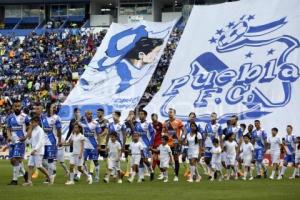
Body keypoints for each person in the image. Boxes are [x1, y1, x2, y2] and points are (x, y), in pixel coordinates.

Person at [23, 116, 51, 186]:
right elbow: (31, 140)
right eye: (31, 122)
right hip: (33, 150)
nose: (31, 124)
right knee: (30, 166)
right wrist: (26, 140)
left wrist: (35, 150)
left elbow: (40, 142)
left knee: (39, 166)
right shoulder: (33, 130)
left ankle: (49, 177)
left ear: (37, 122)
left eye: (33, 122)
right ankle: (29, 182)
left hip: (39, 151)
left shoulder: (40, 130)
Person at [7, 99, 30, 185]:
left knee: (15, 159)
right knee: (13, 161)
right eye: (15, 106)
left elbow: (30, 128)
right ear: (13, 107)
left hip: (20, 141)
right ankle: (25, 174)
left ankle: (14, 180)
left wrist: (26, 137)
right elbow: (8, 129)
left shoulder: (25, 117)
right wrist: (9, 137)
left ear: (21, 107)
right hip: (12, 141)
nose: (17, 108)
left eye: (18, 106)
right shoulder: (10, 117)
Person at [162, 108, 186, 182]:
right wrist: (164, 137)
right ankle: (165, 176)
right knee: (165, 160)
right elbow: (163, 132)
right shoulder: (166, 122)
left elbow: (184, 130)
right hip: (167, 144)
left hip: (175, 143)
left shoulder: (178, 121)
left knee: (176, 159)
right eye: (169, 112)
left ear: (174, 113)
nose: (170, 113)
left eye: (171, 112)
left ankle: (176, 176)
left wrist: (182, 137)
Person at [80, 110, 102, 182]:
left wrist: (99, 145)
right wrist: (80, 118)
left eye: (91, 114)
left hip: (94, 146)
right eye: (89, 114)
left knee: (95, 161)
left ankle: (97, 177)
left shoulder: (95, 123)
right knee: (82, 162)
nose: (91, 115)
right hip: (85, 146)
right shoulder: (83, 123)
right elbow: (75, 123)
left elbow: (98, 135)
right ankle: (88, 176)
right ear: (86, 115)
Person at [134, 110, 155, 182]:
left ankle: (151, 171)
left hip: (146, 145)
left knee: (145, 160)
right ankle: (141, 177)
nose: (140, 115)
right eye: (139, 114)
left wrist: (151, 144)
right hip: (139, 144)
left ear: (145, 115)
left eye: (142, 114)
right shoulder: (137, 124)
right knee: (140, 160)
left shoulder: (148, 124)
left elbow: (153, 134)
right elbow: (135, 134)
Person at [204, 112, 222, 178]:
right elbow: (205, 135)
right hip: (207, 145)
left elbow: (220, 136)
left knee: (213, 160)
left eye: (214, 116)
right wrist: (203, 144)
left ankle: (212, 174)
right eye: (211, 116)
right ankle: (213, 171)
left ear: (216, 118)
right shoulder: (207, 125)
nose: (212, 117)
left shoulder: (219, 126)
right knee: (206, 160)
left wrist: (221, 146)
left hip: (215, 145)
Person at [124, 111, 136, 177]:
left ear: (134, 115)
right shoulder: (125, 123)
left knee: (130, 156)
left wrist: (131, 122)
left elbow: (135, 130)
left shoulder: (136, 123)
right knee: (127, 158)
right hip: (126, 142)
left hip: (132, 142)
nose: (130, 115)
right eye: (129, 114)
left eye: (132, 114)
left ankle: (128, 171)